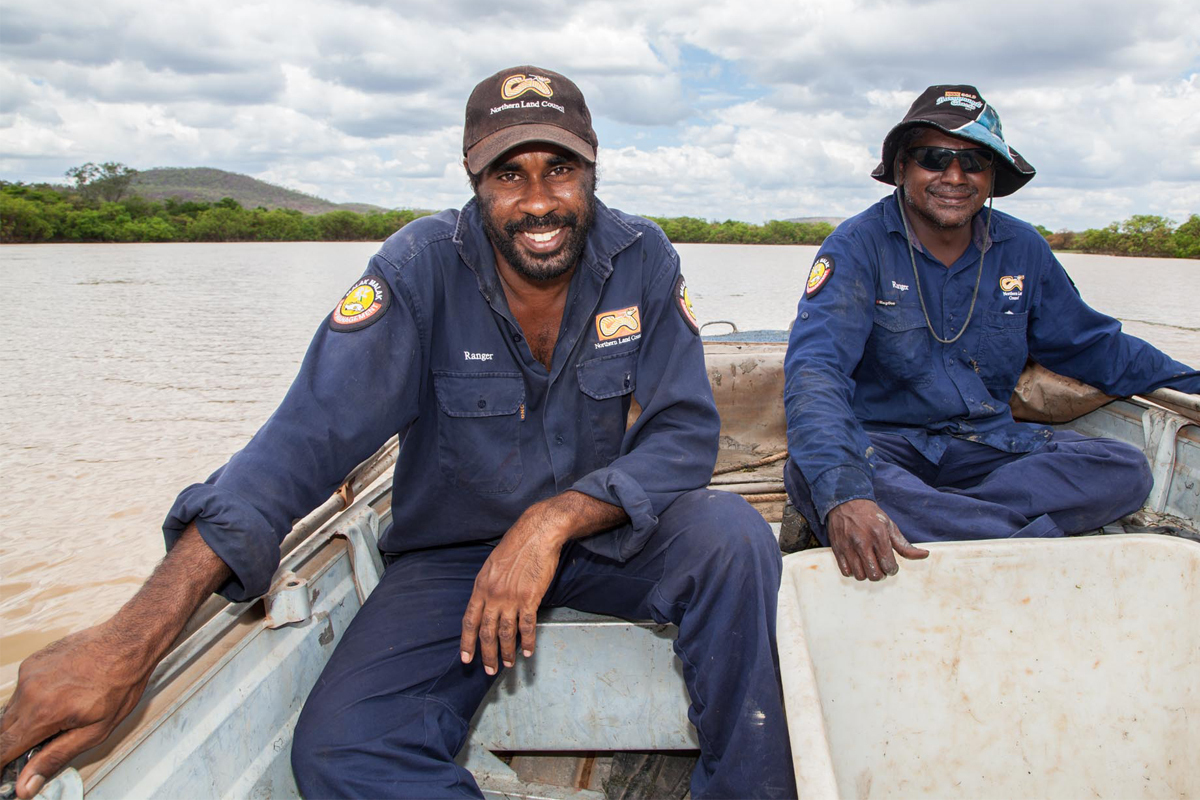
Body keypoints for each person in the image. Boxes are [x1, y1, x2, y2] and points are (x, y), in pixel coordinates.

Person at [0, 67, 796, 798]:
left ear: (592, 170)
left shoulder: (641, 258)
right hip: (456, 558)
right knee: (342, 754)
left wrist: (552, 520)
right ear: (473, 180)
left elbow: (683, 435)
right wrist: (130, 639)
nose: (539, 199)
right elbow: (296, 446)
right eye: (509, 174)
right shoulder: (417, 270)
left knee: (731, 536)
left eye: (561, 169)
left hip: (604, 533)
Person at [782, 84, 1200, 583]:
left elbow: (1093, 346)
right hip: (885, 446)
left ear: (993, 177)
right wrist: (848, 494)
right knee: (821, 477)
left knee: (1123, 469)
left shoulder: (1022, 249)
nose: (954, 176)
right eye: (933, 158)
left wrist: (1192, 381)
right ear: (901, 169)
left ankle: (943, 524)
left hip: (987, 448)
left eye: (975, 162)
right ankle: (1014, 546)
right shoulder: (856, 246)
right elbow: (815, 372)